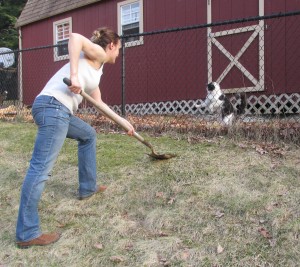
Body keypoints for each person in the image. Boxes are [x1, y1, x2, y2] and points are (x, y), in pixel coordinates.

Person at [16, 27, 135, 249]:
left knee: (88, 135)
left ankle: (88, 187)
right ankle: (27, 232)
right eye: (119, 49)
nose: (118, 54)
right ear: (111, 45)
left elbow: (100, 105)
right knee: (40, 169)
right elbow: (75, 38)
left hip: (56, 109)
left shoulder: (96, 69)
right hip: (54, 107)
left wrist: (124, 122)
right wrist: (72, 76)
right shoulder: (98, 53)